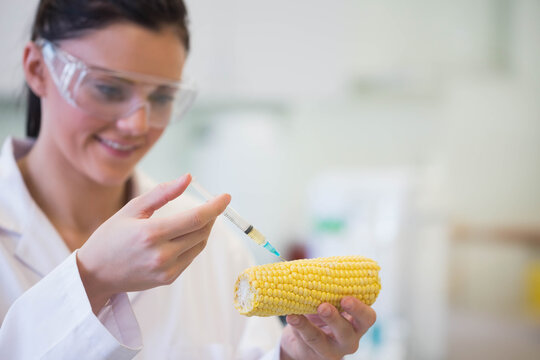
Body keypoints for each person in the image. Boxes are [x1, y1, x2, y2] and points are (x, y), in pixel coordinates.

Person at [0, 1, 376, 359]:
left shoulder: (212, 247)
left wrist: (295, 356)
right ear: (37, 69)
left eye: (162, 96)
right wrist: (92, 278)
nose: (138, 124)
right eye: (109, 89)